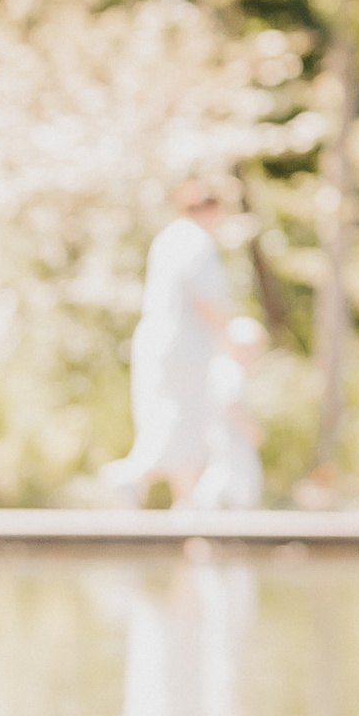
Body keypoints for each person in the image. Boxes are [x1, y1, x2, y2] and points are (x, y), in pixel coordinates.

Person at [97, 180, 266, 510]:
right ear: (211, 210)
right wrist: (228, 337)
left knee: (174, 419)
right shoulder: (196, 241)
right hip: (183, 350)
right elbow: (204, 299)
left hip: (160, 344)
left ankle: (185, 504)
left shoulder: (168, 238)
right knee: (184, 422)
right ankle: (134, 476)